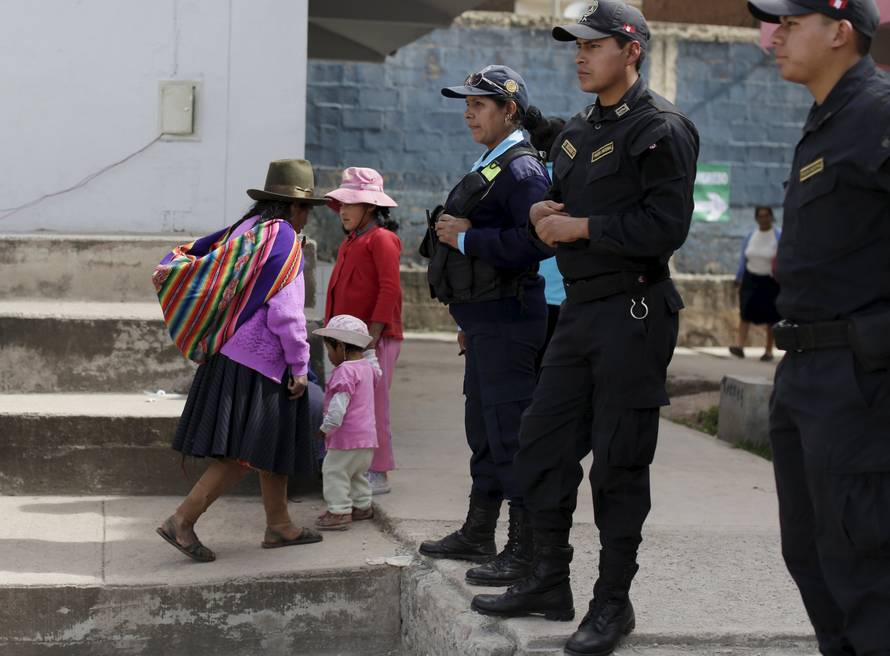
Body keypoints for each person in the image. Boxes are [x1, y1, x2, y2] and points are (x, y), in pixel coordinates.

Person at [469, 4, 700, 656]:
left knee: (619, 466)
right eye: (576, 45)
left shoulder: (660, 130)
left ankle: (612, 603)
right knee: (540, 445)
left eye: (594, 45)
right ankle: (549, 581)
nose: (580, 55)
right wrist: (549, 208)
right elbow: (564, 171)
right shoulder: (577, 133)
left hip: (634, 312)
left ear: (631, 52)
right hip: (580, 317)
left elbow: (665, 227)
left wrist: (581, 229)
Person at [745, 1, 890, 654]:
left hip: (858, 380)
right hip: (804, 370)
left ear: (840, 32)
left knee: (864, 567)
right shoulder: (827, 121)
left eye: (791, 22)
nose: (772, 36)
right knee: (811, 556)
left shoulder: (879, 112)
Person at [417, 65, 553, 589]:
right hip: (486, 321)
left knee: (510, 435)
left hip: (510, 319)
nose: (469, 111)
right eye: (466, 103)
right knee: (485, 433)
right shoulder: (495, 160)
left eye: (480, 103)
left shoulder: (522, 171)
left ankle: (523, 551)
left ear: (509, 110)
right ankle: (479, 531)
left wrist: (468, 239)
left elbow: (538, 241)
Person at [155, 159, 327, 562]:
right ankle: (182, 519)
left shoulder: (247, 229)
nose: (306, 219)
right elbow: (286, 314)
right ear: (295, 207)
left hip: (226, 352)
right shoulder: (285, 240)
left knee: (273, 441)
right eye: (307, 210)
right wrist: (300, 365)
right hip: (261, 362)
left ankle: (279, 524)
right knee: (241, 455)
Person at [324, 168, 402, 496]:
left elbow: (389, 289)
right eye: (341, 203)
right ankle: (354, 468)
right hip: (347, 341)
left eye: (350, 204)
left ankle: (378, 471)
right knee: (349, 403)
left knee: (374, 405)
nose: (343, 209)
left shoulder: (381, 239)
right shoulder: (351, 241)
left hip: (374, 340)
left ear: (369, 207)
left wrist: (372, 336)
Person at [313, 315, 382, 531]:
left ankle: (339, 511)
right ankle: (362, 506)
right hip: (367, 438)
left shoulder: (345, 371)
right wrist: (370, 351)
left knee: (334, 471)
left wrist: (325, 429)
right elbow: (377, 369)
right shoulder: (367, 369)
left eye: (329, 349)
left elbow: (338, 407)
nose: (329, 355)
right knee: (356, 474)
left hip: (345, 438)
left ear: (341, 346)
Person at [730, 206, 782, 361]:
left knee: (771, 316)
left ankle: (768, 350)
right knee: (745, 312)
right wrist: (738, 277)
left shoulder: (778, 236)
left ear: (771, 217)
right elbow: (743, 259)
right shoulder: (750, 236)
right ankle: (739, 346)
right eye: (760, 216)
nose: (763, 219)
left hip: (770, 281)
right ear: (756, 218)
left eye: (766, 216)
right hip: (750, 278)